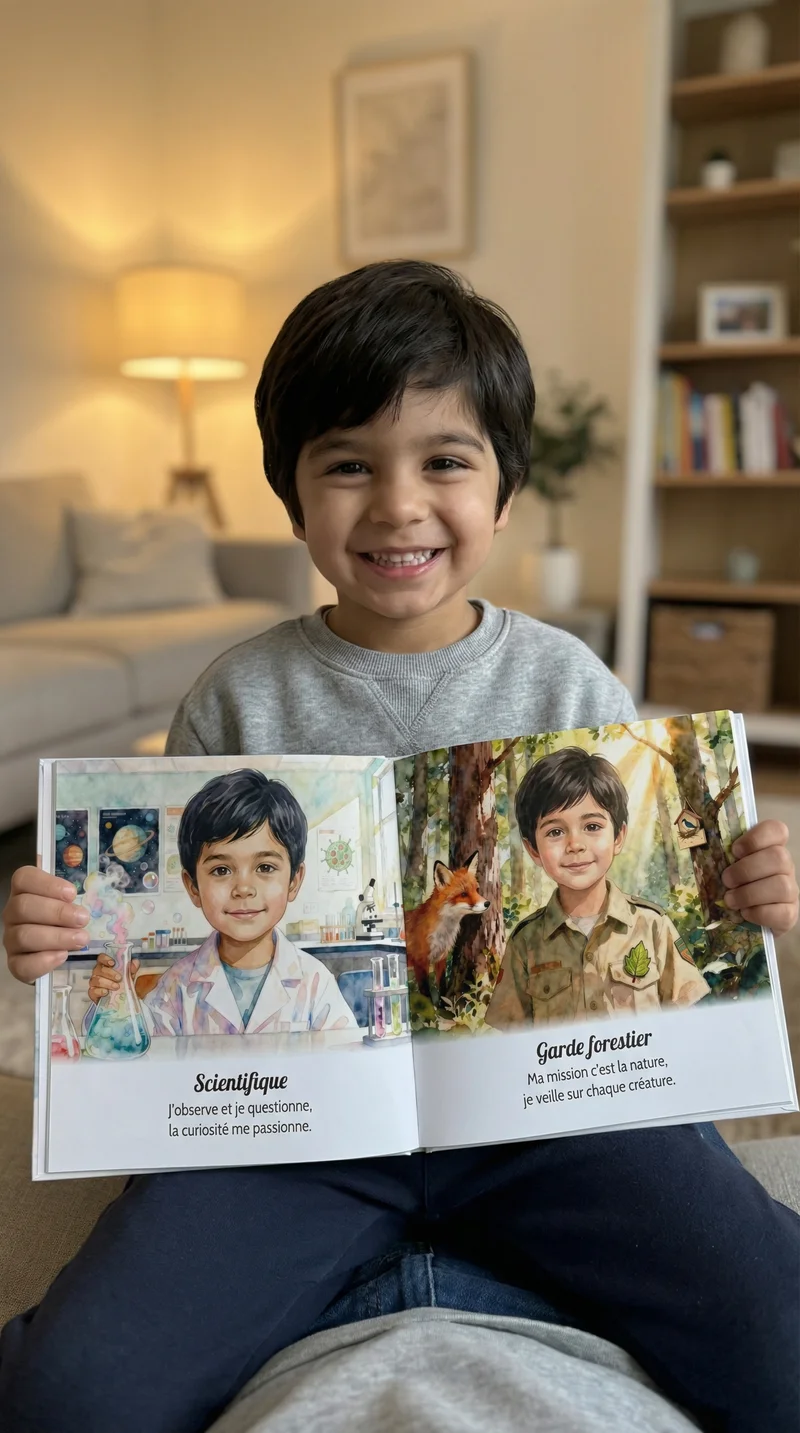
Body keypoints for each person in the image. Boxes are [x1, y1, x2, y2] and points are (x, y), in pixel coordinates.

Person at [2, 260, 798, 1433]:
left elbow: (654, 933)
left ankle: (427, 1273)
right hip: (294, 1130)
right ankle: (429, 1269)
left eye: (444, 461)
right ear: (290, 496)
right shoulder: (235, 695)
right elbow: (172, 930)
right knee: (70, 1394)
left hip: (550, 1116)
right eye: (346, 465)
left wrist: (744, 893)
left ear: (504, 487)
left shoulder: (567, 681)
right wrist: (65, 937)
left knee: (780, 1339)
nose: (395, 506)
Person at [86, 769, 358, 1036]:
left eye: (265, 867)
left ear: (294, 881)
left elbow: (345, 1059)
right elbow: (136, 1048)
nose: (243, 889)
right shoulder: (176, 987)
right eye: (221, 870)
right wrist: (111, 1002)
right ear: (193, 887)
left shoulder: (315, 983)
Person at [485, 746, 710, 1029]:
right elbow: (514, 1041)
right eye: (555, 832)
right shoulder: (525, 942)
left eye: (592, 826)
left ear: (618, 837)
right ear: (533, 850)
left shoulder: (653, 926)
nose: (575, 845)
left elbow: (688, 1022)